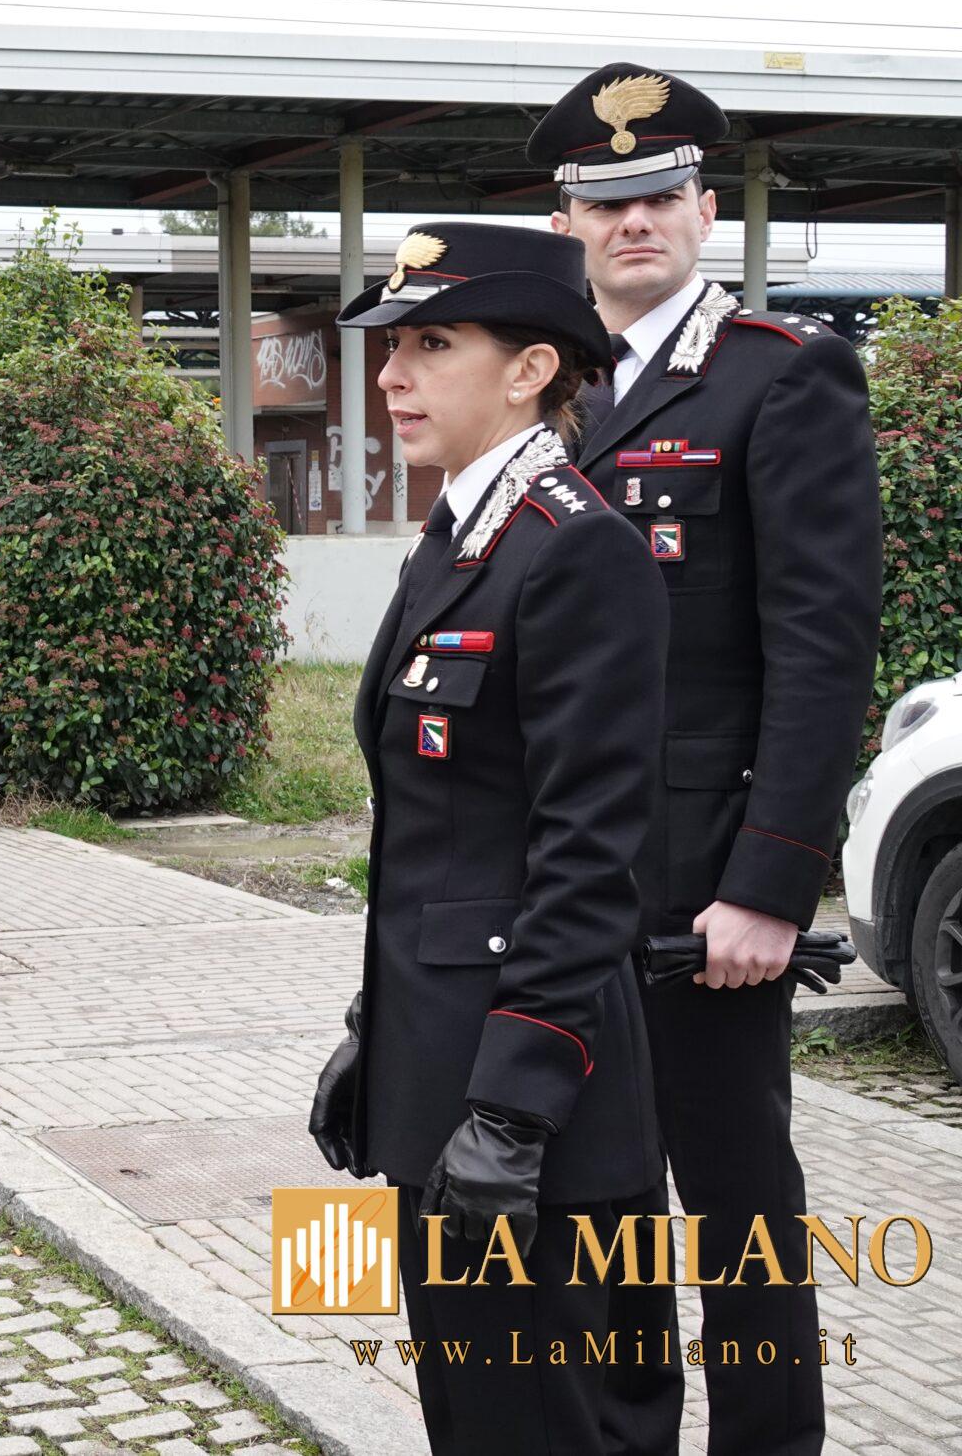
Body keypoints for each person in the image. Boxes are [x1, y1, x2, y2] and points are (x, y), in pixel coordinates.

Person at [533, 64, 881, 1456]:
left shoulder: (778, 377)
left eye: (660, 194)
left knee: (738, 1205)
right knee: (599, 1196)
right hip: (566, 878)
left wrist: (773, 881)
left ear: (704, 206)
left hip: (703, 893)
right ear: (567, 219)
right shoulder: (540, 384)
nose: (636, 221)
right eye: (606, 200)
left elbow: (821, 648)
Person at [308, 222, 671, 1456]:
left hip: (533, 1108)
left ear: (529, 370)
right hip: (440, 1075)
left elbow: (585, 859)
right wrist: (380, 1033)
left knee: (552, 1426)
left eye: (431, 343)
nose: (392, 375)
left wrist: (510, 1112)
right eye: (392, 346)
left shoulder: (577, 553)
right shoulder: (458, 538)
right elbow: (438, 841)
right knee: (473, 1419)